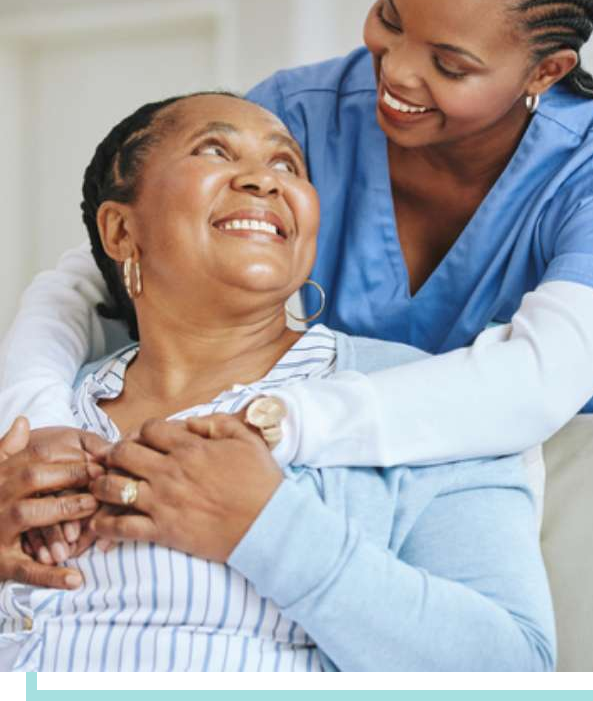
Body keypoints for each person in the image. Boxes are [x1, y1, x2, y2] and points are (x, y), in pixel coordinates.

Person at [0, 0, 593, 566]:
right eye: (389, 17)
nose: (396, 73)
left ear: (545, 70)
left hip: (549, 492)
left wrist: (275, 420)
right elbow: (95, 271)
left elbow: (535, 380)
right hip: (322, 493)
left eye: (449, 64)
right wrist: (34, 424)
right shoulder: (296, 118)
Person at [0, 92, 555, 672]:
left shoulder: (423, 394)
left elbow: (515, 665)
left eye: (286, 165)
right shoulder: (41, 411)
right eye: (214, 149)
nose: (265, 182)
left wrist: (265, 526)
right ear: (119, 231)